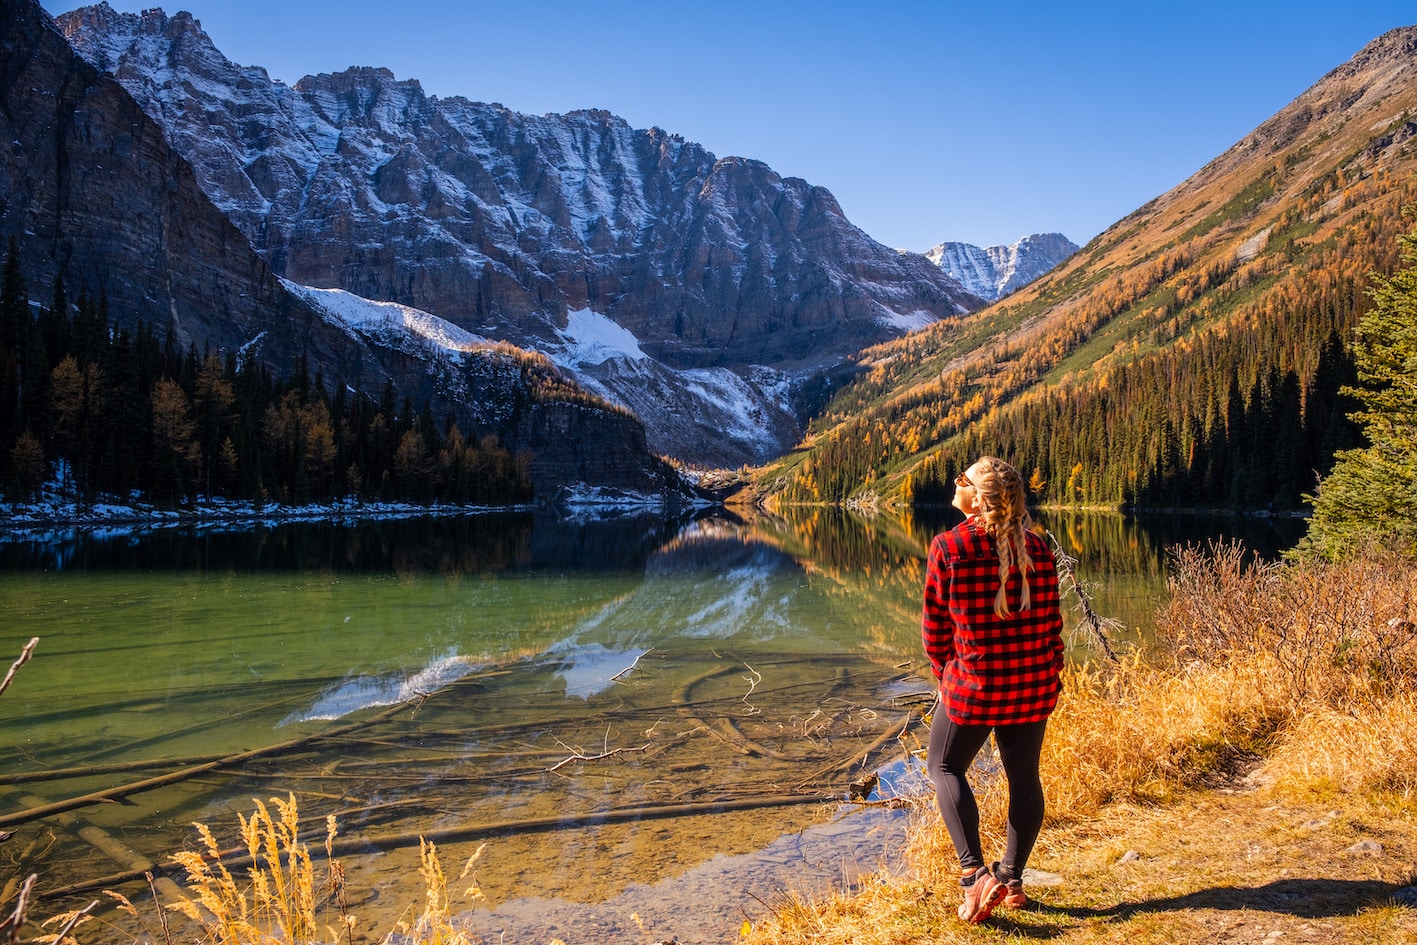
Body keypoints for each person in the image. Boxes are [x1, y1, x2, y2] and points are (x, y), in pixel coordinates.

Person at [920, 456, 1065, 924]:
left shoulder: (949, 547)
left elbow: (934, 633)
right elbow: (1052, 627)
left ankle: (974, 876)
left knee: (943, 765)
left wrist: (947, 677)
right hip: (1031, 684)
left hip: (976, 688)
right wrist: (1050, 675)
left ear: (976, 498)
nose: (954, 483)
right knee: (1024, 778)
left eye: (961, 479)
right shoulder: (1039, 549)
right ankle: (1012, 880)